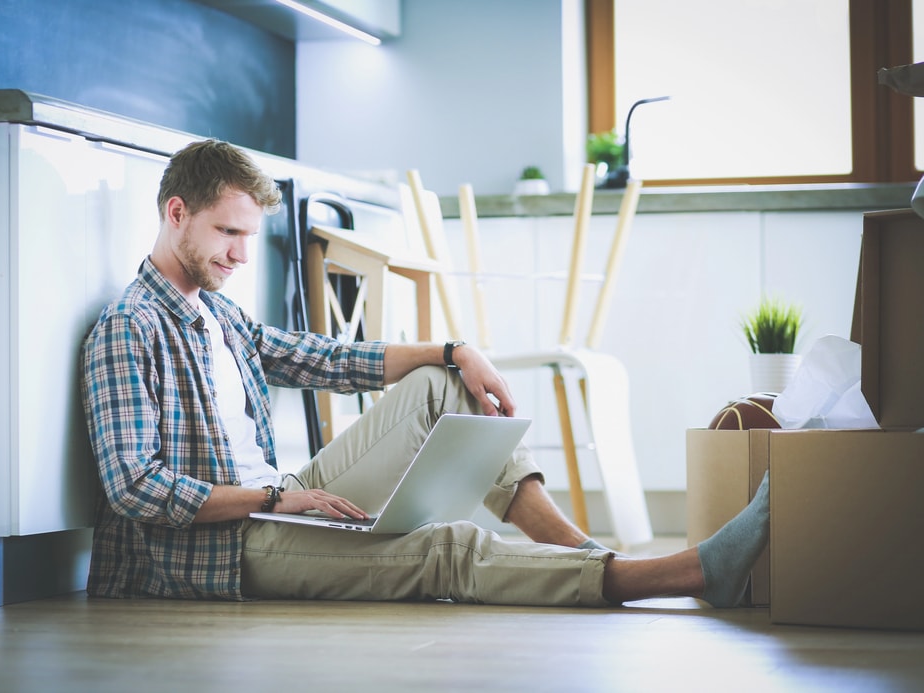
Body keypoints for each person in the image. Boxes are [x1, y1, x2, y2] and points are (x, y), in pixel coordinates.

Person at [80, 139, 770, 608]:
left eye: (248, 238)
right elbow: (135, 487)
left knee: (443, 388)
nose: (239, 255)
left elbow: (328, 358)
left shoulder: (221, 317)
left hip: (280, 498)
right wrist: (272, 501)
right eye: (227, 233)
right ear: (176, 213)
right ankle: (682, 573)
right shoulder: (128, 326)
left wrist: (452, 350)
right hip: (222, 548)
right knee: (446, 548)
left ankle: (582, 553)